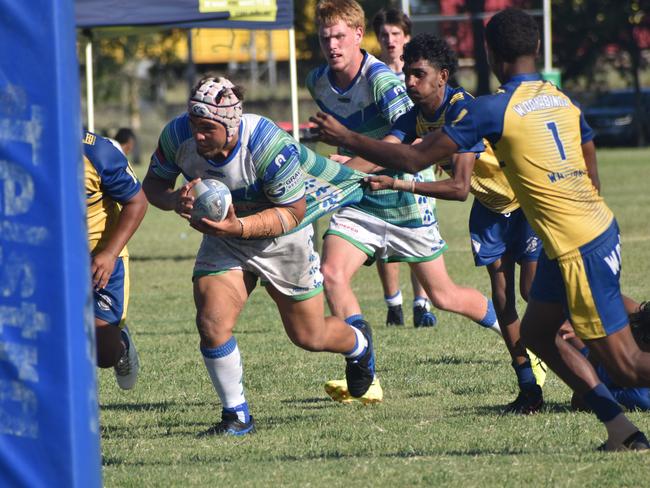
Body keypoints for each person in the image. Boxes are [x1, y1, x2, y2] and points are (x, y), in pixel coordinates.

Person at [311, 8, 650, 450]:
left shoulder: (488, 110)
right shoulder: (558, 97)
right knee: (536, 334)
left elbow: (415, 160)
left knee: (626, 365)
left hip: (575, 242)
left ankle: (624, 414)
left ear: (490, 53)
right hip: (580, 229)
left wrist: (348, 136)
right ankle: (623, 432)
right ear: (537, 50)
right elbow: (588, 149)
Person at [142, 76, 376, 435]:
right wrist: (176, 200)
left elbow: (293, 212)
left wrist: (239, 227)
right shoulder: (177, 136)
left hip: (283, 238)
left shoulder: (267, 145)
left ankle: (358, 344)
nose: (197, 134)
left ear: (231, 125)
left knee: (308, 336)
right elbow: (153, 187)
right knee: (211, 323)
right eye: (194, 124)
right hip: (225, 239)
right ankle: (236, 416)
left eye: (207, 127)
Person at [308, 0, 500, 405]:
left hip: (402, 198)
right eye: (325, 37)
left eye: (340, 35)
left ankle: (517, 333)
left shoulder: (383, 82)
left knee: (443, 295)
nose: (332, 45)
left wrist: (345, 167)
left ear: (359, 35)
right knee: (331, 272)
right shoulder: (318, 82)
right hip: (360, 198)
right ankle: (363, 365)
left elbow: (409, 146)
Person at [357, 33, 547, 413]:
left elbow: (460, 187)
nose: (409, 82)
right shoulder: (415, 116)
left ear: (442, 76)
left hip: (524, 202)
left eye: (418, 74)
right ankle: (530, 389)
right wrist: (330, 171)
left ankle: (599, 362)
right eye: (407, 75)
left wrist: (398, 182)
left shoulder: (464, 111)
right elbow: (387, 151)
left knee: (532, 292)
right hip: (490, 209)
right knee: (504, 298)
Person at [371, 7, 437, 328]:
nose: (390, 40)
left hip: (418, 163)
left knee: (418, 232)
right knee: (385, 237)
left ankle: (421, 305)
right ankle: (393, 304)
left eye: (396, 34)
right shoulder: (373, 76)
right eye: (384, 35)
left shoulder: (419, 74)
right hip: (388, 159)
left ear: (406, 37)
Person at [84, 130, 147, 390]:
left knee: (104, 355)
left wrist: (109, 254)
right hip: (47, 258)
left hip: (100, 259)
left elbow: (137, 202)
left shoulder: (96, 152)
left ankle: (121, 343)